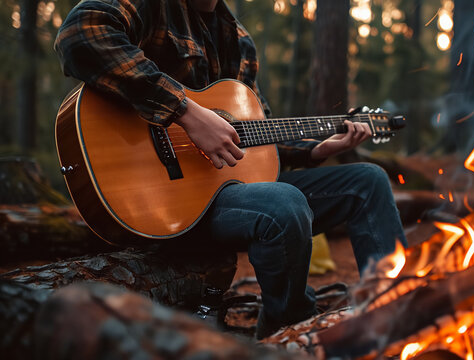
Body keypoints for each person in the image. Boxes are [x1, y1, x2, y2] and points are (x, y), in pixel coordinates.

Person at [54, 0, 407, 339]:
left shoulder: (238, 41)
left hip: (229, 191)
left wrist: (316, 150)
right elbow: (79, 35)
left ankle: (396, 313)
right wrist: (185, 112)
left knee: (369, 181)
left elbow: (254, 134)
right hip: (166, 200)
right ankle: (288, 328)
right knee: (283, 203)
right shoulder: (152, 6)